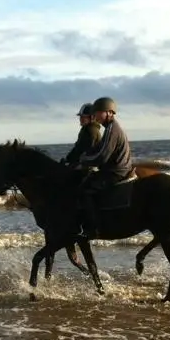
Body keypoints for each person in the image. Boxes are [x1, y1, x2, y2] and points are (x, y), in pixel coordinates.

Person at [73, 96, 133, 238]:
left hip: (117, 171)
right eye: (95, 113)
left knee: (85, 189)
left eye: (98, 112)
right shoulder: (110, 128)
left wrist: (83, 160)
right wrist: (86, 157)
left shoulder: (113, 130)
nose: (95, 115)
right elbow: (98, 149)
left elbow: (102, 156)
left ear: (109, 112)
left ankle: (92, 228)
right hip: (116, 168)